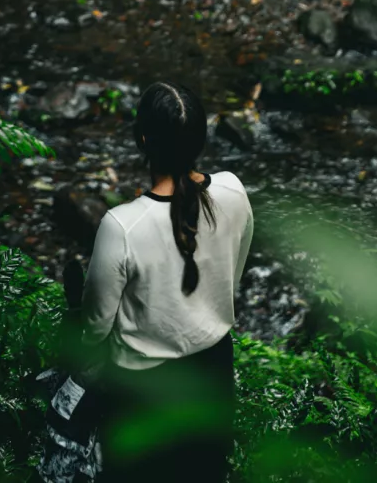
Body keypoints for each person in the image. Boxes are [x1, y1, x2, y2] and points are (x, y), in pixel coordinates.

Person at [77, 80, 254, 482]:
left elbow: (95, 327)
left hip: (142, 389)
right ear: (201, 139)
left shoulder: (121, 226)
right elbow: (233, 278)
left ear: (143, 140)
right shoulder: (234, 191)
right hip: (213, 371)